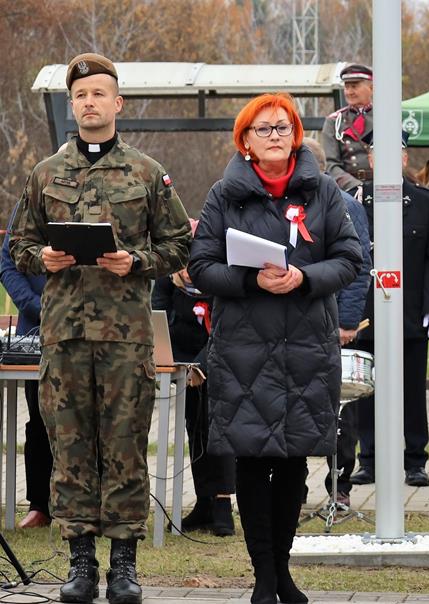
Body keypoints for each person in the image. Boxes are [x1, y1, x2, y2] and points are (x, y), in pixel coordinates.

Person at [10, 53, 191, 604]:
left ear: (118, 103)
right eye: (81, 95)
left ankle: (124, 565)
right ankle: (81, 563)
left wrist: (135, 261)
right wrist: (43, 258)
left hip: (125, 338)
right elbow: (18, 246)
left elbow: (180, 244)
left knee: (125, 446)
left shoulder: (146, 172)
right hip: (64, 336)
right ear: (73, 105)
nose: (90, 103)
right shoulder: (45, 173)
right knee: (69, 449)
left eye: (99, 94)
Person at [188, 93, 362, 604]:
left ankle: (283, 571)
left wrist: (304, 277)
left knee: (292, 464)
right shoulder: (224, 195)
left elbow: (350, 258)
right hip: (244, 350)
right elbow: (201, 266)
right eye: (263, 129)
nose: (275, 136)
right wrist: (250, 280)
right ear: (245, 140)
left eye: (283, 127)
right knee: (250, 460)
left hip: (306, 349)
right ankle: (263, 576)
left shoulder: (323, 191)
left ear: (296, 135)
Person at [351, 131, 429, 488]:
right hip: (366, 312)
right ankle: (369, 459)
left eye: (395, 153)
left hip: (409, 312)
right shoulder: (355, 200)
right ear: (371, 159)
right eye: (379, 153)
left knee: (412, 392)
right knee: (365, 391)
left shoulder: (424, 202)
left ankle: (415, 460)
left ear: (405, 159)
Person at [151, 219, 235, 537]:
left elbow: (225, 330)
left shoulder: (221, 281)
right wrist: (170, 361)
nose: (187, 271)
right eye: (182, 262)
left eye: (193, 261)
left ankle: (223, 504)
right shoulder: (167, 282)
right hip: (182, 365)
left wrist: (202, 367)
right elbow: (158, 319)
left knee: (218, 429)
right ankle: (204, 502)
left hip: (219, 361)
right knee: (195, 429)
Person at [303, 137, 372, 507]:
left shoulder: (345, 205)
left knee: (341, 409)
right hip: (296, 324)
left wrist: (346, 322)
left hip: (335, 323)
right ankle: (294, 485)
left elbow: (358, 268)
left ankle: (340, 485)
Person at [0, 233, 51, 529]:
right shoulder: (26, 209)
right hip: (36, 329)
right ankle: (40, 505)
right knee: (39, 420)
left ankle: (90, 507)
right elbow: (7, 263)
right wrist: (36, 306)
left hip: (88, 330)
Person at [322, 63, 374, 194]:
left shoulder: (386, 119)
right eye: (347, 87)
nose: (349, 92)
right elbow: (331, 164)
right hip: (348, 191)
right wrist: (356, 187)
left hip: (382, 188)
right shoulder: (334, 121)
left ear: (371, 87)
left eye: (354, 86)